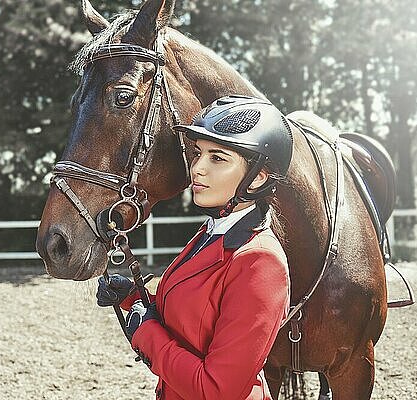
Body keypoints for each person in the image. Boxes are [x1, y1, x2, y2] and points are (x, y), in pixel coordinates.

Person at [97, 95, 293, 400]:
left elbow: (218, 390)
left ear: (258, 179)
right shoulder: (212, 232)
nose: (197, 168)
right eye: (199, 153)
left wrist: (146, 334)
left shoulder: (260, 263)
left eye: (217, 158)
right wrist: (132, 297)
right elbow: (196, 316)